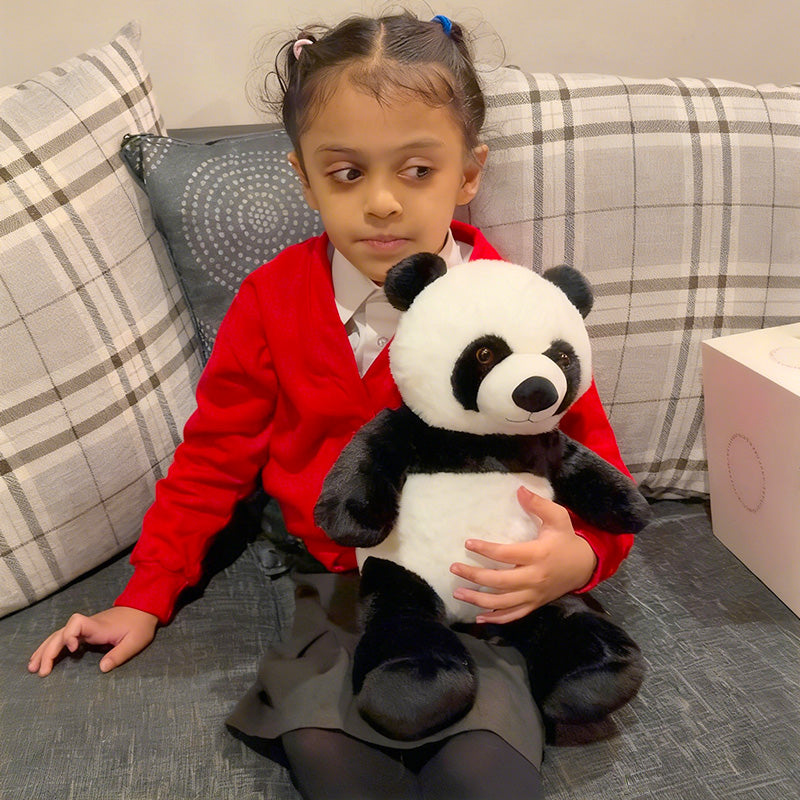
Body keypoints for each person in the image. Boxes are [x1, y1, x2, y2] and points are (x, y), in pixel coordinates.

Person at [29, 12, 636, 799]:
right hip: (343, 583)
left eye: (416, 170)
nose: (382, 204)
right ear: (304, 177)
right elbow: (215, 455)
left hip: (485, 583)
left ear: (469, 172)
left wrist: (579, 558)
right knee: (330, 755)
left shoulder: (514, 305)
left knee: (484, 774)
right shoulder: (273, 300)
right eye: (347, 173)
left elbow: (599, 466)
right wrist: (145, 596)